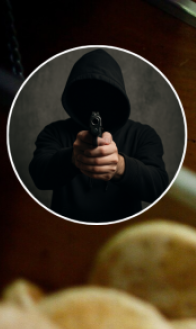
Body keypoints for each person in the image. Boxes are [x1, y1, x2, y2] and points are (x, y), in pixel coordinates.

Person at [29, 49, 169, 223]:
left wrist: (121, 167)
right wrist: (72, 157)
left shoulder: (142, 134)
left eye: (105, 94)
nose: (96, 100)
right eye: (88, 93)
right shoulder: (54, 132)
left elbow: (159, 187)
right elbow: (39, 176)